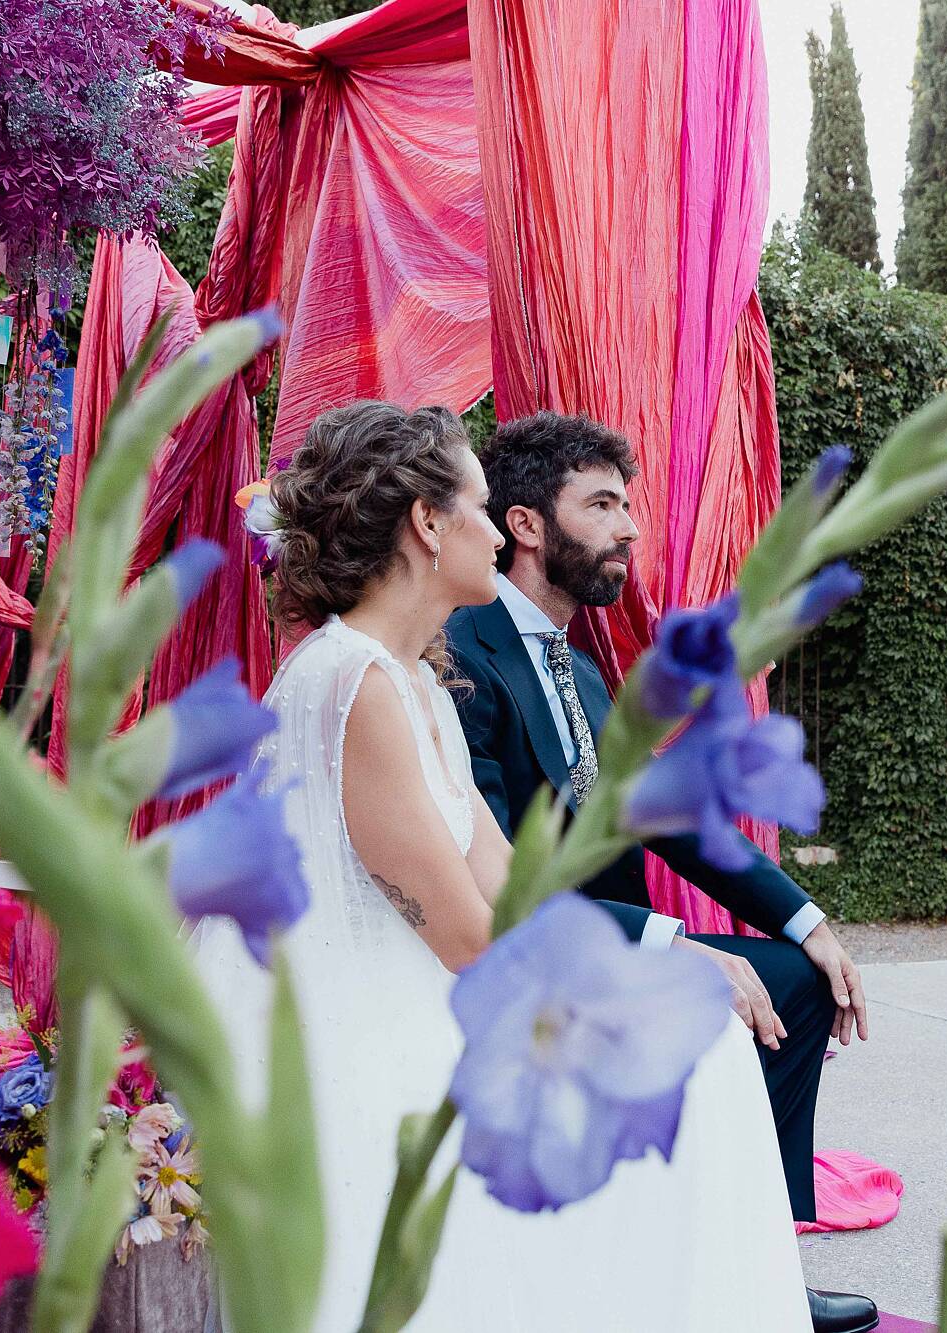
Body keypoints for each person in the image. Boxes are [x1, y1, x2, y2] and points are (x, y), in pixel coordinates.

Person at [194, 402, 812, 1331]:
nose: (493, 531)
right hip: (368, 1027)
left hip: (441, 984)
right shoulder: (351, 682)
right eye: (480, 508)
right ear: (427, 523)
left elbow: (508, 876)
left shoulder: (418, 682)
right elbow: (467, 936)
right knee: (690, 1047)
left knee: (703, 1037)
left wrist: (666, 955)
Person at [445, 412, 877, 1333]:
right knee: (733, 988)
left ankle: (760, 1256)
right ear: (526, 525)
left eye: (628, 504)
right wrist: (670, 940)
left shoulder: (586, 669)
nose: (630, 527)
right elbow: (492, 871)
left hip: (610, 944)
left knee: (797, 978)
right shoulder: (463, 654)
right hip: (520, 958)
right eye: (602, 504)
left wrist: (807, 920)